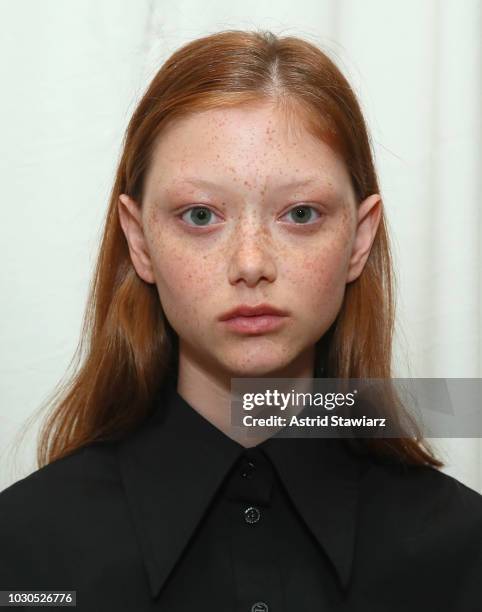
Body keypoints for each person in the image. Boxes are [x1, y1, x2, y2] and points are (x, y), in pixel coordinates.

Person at [0, 29, 481, 612]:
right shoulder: (23, 552)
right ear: (139, 239)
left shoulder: (463, 552)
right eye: (200, 215)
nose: (251, 264)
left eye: (300, 213)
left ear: (360, 237)